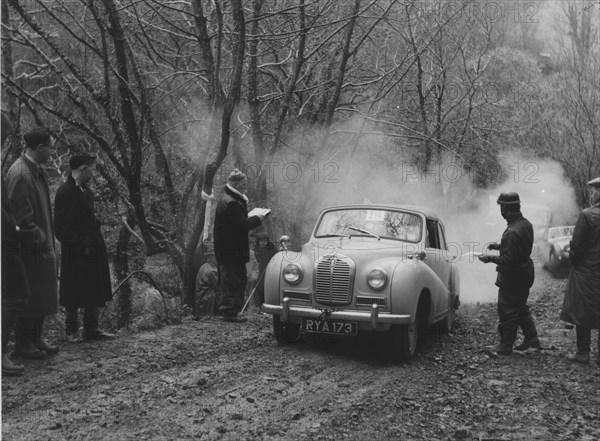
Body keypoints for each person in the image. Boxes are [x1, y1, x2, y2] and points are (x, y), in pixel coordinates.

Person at [6, 127, 59, 359]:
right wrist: (40, 238)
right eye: (50, 148)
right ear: (40, 148)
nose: (51, 152)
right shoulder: (21, 174)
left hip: (41, 247)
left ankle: (35, 338)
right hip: (30, 250)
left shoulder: (35, 170)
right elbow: (21, 219)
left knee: (41, 295)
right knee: (30, 296)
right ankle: (23, 344)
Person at [54, 153, 115, 342]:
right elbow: (60, 228)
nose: (93, 172)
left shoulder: (87, 192)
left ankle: (91, 328)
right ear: (83, 168)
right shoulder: (64, 192)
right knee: (73, 290)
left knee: (95, 286)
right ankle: (72, 330)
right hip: (75, 250)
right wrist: (81, 244)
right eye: (91, 168)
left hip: (93, 247)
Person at [479, 192, 540, 355]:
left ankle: (505, 345)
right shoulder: (525, 224)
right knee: (520, 306)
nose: (501, 211)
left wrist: (489, 258)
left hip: (513, 277)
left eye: (502, 207)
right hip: (525, 273)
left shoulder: (512, 231)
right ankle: (532, 338)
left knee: (507, 310)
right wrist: (499, 246)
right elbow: (518, 248)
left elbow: (509, 260)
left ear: (507, 209)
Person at [213, 169, 264, 323]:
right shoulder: (232, 203)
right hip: (231, 249)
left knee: (234, 278)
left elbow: (236, 222)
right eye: (243, 183)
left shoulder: (228, 199)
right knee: (233, 279)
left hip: (229, 248)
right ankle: (230, 313)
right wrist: (258, 218)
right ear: (235, 183)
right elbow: (242, 225)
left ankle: (230, 311)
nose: (245, 186)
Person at [1, 113, 30, 375]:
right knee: (13, 296)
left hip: (8, 240)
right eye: (3, 134)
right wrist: (13, 227)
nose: (5, 140)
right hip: (5, 243)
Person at [560, 177, 600, 365]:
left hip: (587, 272)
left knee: (582, 311)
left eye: (593, 191)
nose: (591, 194)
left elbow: (577, 246)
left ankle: (583, 352)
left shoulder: (587, 215)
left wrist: (573, 259)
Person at [253, 231, 277, 308]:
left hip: (268, 273)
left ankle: (266, 306)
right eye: (262, 241)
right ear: (258, 241)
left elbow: (276, 259)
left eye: (265, 241)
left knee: (266, 290)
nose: (264, 243)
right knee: (257, 290)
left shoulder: (271, 249)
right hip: (258, 273)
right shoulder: (255, 250)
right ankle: (257, 306)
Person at [194, 242, 219, 317]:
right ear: (212, 257)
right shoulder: (211, 270)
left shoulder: (204, 266)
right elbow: (219, 287)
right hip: (207, 300)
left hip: (201, 300)